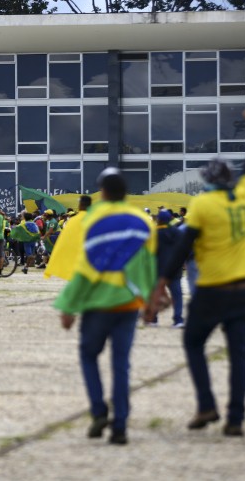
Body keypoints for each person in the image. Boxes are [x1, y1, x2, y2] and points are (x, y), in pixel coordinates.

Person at [149, 105, 245, 437]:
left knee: (194, 343)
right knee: (239, 355)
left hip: (213, 290)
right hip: (244, 289)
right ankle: (236, 418)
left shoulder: (202, 205)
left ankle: (206, 403)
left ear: (207, 182)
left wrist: (161, 282)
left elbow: (182, 247)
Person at [55, 168, 156, 445]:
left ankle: (99, 411)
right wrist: (150, 301)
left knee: (89, 356)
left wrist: (68, 306)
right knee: (121, 363)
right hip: (128, 304)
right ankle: (120, 424)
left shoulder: (93, 219)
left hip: (97, 304)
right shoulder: (143, 220)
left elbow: (85, 267)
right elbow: (147, 265)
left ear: (104, 192)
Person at [153, 210, 184, 328]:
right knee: (177, 294)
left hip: (158, 268)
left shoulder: (154, 234)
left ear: (159, 219)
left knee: (156, 293)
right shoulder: (179, 233)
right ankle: (178, 319)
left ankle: (153, 319)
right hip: (175, 268)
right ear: (170, 219)